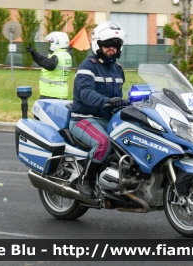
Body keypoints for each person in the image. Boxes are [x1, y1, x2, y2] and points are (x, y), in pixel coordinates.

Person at [69, 21, 129, 198]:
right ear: (98, 45)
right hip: (83, 118)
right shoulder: (87, 67)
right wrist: (107, 102)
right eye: (107, 45)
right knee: (103, 143)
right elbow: (86, 94)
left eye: (115, 45)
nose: (111, 49)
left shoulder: (118, 69)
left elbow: (120, 95)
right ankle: (86, 180)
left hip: (108, 119)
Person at [26, 32, 72, 99]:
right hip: (61, 93)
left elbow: (46, 63)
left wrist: (34, 53)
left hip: (51, 93)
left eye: (51, 43)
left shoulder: (57, 56)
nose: (50, 45)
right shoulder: (67, 55)